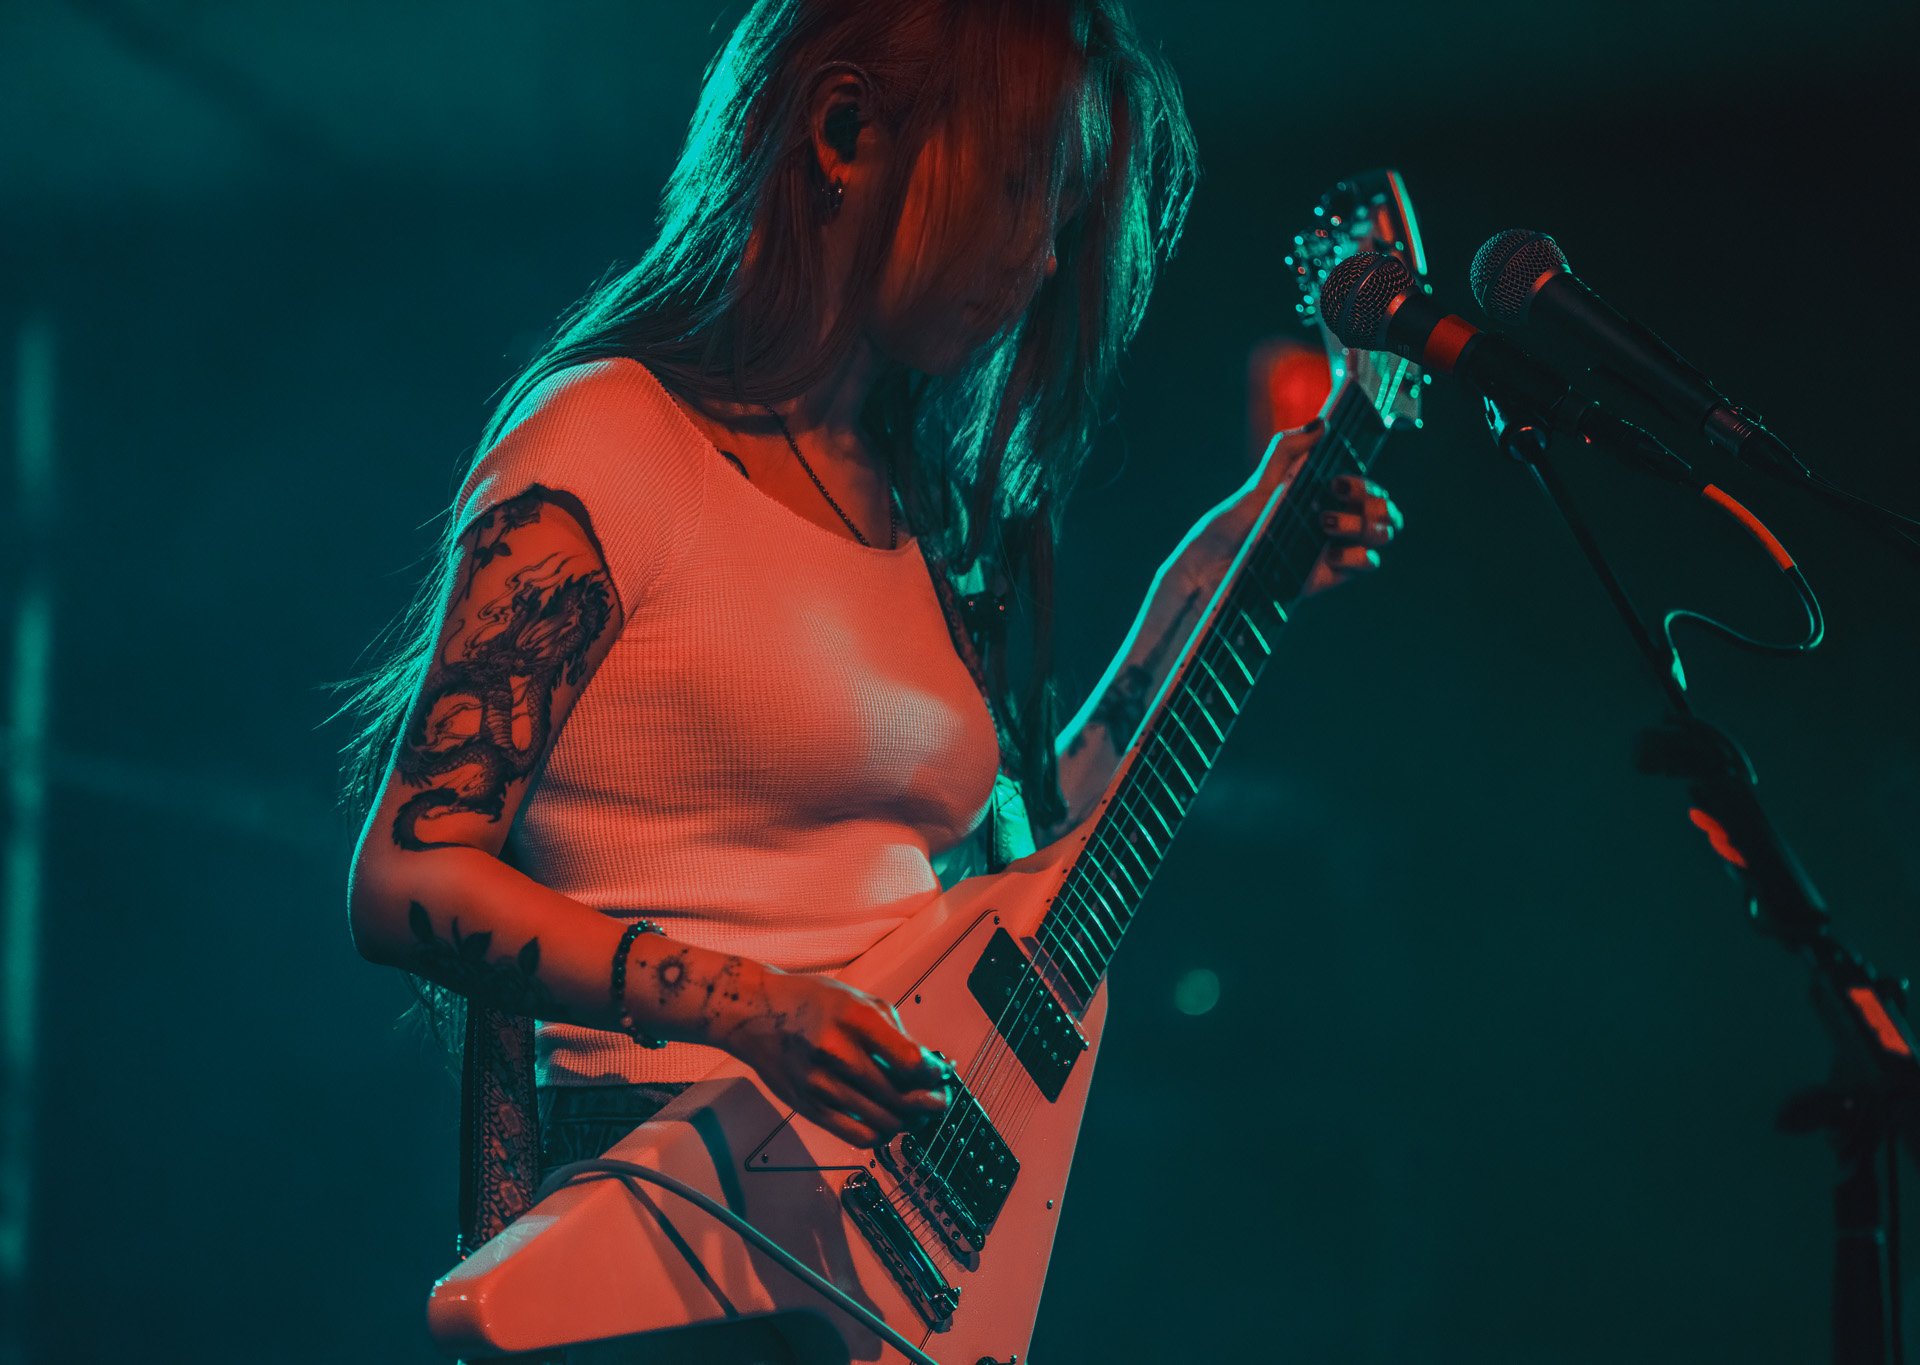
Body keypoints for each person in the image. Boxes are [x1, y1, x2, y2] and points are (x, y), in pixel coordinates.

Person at [341, 0, 1401, 1327]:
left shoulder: (934, 519)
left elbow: (1025, 885)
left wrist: (1230, 569)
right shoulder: (607, 438)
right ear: (844, 131)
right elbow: (406, 876)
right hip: (656, 1243)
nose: (1040, 254)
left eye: (1067, 215)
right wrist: (754, 1008)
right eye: (1023, 186)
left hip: (887, 1260)